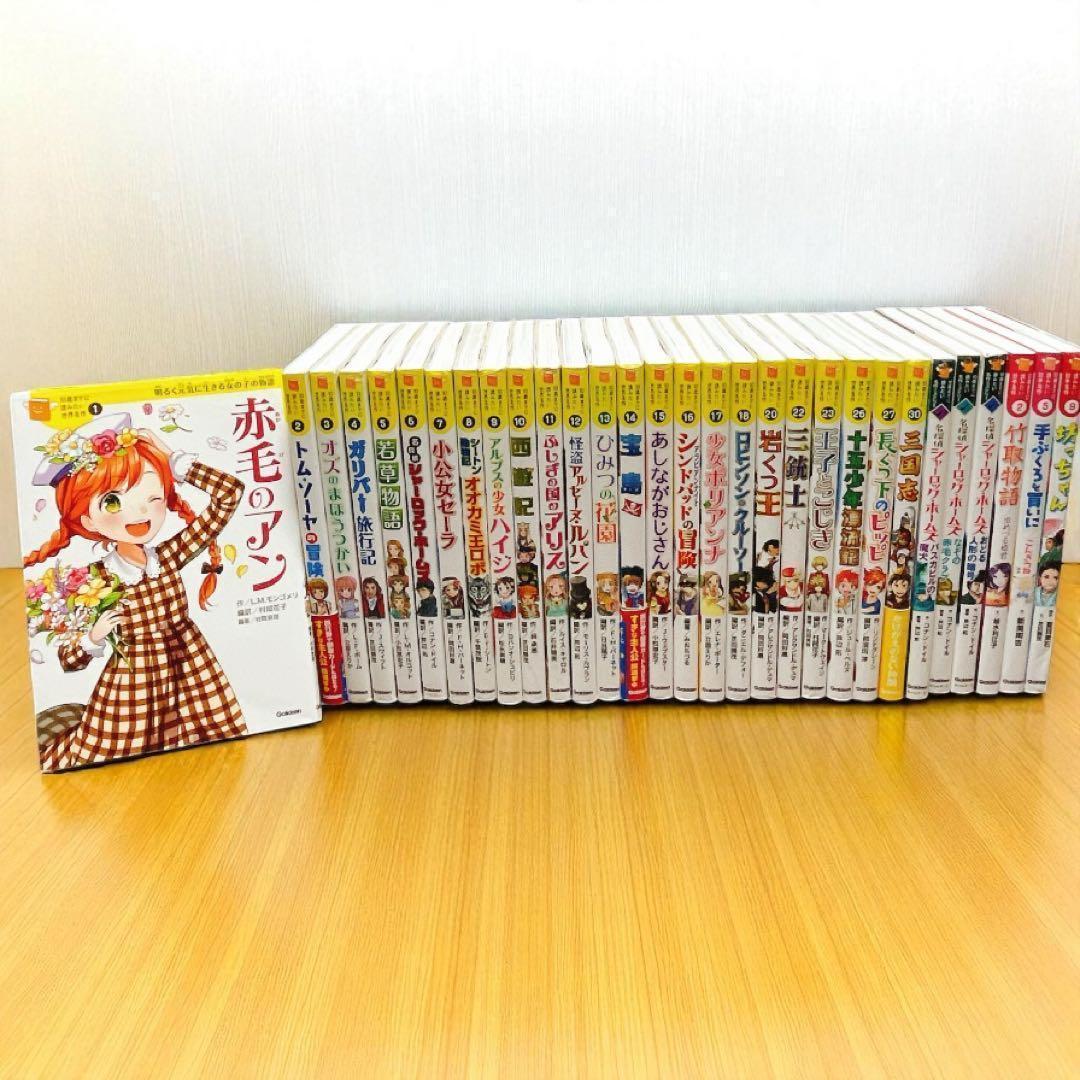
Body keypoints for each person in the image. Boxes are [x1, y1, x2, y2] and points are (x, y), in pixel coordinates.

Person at [25, 418, 247, 771]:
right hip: (134, 685)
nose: (140, 511)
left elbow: (229, 494)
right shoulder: (96, 580)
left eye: (152, 496)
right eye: (113, 502)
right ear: (88, 520)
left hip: (189, 671)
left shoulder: (168, 556)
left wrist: (175, 461)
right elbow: (69, 660)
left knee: (213, 750)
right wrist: (93, 636)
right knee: (115, 757)